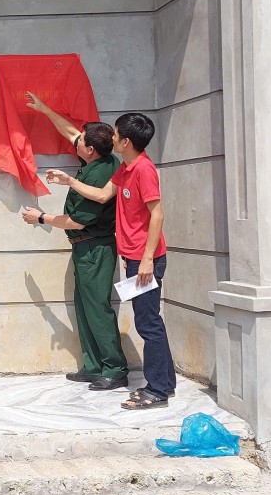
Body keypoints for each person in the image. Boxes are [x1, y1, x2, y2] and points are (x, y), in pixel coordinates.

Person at [47, 113, 175, 409]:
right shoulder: (126, 169)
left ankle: (157, 390)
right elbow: (103, 195)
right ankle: (165, 383)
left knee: (148, 323)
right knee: (149, 319)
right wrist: (68, 180)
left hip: (146, 260)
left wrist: (146, 260)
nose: (111, 138)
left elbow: (157, 214)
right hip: (131, 257)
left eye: (115, 134)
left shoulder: (143, 170)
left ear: (126, 141)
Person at [21, 92, 128, 390]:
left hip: (95, 247)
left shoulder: (97, 175)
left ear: (90, 150)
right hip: (84, 247)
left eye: (81, 141)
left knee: (97, 307)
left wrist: (41, 218)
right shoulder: (103, 159)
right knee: (83, 306)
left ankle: (115, 369)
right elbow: (70, 131)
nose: (75, 140)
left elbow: (78, 220)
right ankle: (94, 366)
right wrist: (44, 108)